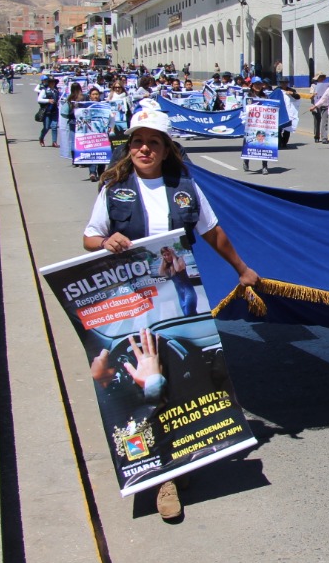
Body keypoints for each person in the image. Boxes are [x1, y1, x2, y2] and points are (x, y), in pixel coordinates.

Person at [83, 107, 259, 520]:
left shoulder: (185, 188)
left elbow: (212, 231)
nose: (145, 148)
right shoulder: (114, 188)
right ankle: (163, 476)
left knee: (187, 380)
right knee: (150, 381)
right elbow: (89, 237)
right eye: (138, 142)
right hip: (133, 303)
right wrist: (105, 242)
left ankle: (179, 461)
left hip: (181, 302)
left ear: (166, 149)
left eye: (154, 142)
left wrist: (241, 268)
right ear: (130, 147)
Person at [37, 76, 61, 147]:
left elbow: (58, 99)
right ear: (48, 83)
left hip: (55, 111)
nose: (52, 83)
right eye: (51, 82)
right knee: (46, 127)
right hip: (47, 111)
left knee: (54, 126)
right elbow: (39, 99)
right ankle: (41, 138)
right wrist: (48, 100)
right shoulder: (44, 90)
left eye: (53, 82)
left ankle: (54, 142)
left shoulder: (56, 90)